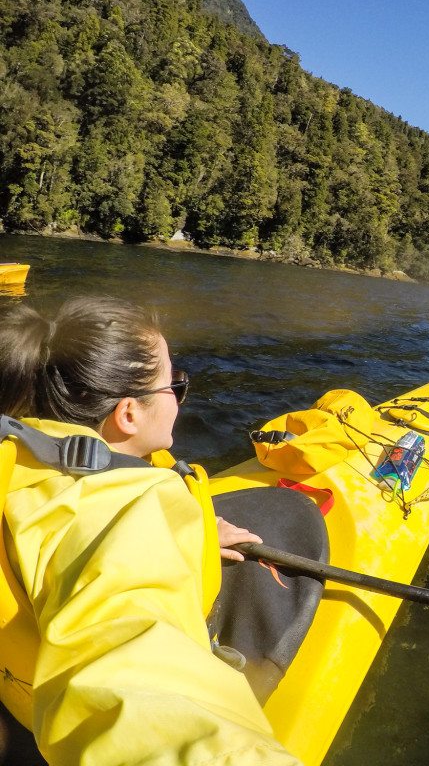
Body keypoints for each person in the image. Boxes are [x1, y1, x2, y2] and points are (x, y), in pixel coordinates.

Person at [0, 296, 300, 765]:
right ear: (128, 414)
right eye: (174, 386)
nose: (180, 399)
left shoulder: (23, 458)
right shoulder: (123, 508)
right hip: (43, 718)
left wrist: (195, 534)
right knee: (294, 524)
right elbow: (129, 669)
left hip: (17, 684)